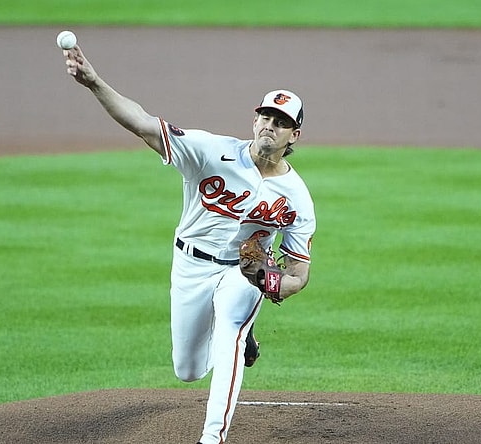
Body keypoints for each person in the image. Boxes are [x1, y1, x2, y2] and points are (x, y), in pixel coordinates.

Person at [61, 43, 316, 444]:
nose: (270, 125)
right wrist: (94, 82)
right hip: (190, 265)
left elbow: (299, 274)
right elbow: (143, 124)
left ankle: (212, 437)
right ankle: (239, 333)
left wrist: (267, 283)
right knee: (188, 369)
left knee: (230, 325)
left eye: (280, 121)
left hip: (241, 274)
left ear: (294, 134)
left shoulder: (297, 197)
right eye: (265, 116)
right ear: (254, 121)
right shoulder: (210, 151)